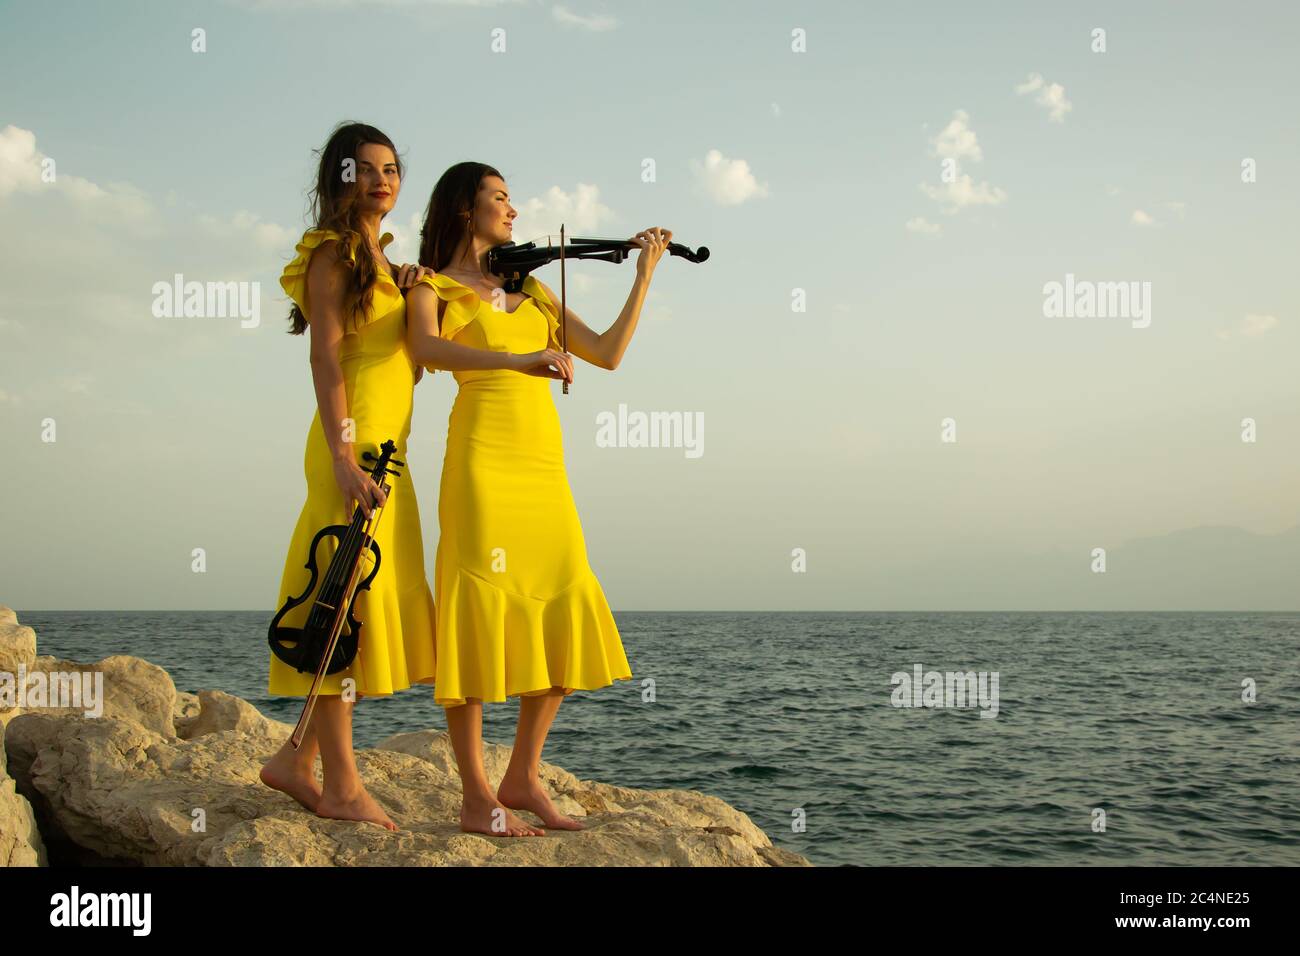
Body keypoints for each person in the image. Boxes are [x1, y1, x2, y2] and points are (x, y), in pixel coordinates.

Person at [405, 162, 668, 837]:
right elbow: (427, 348)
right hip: (482, 463)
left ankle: (521, 775)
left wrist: (643, 276)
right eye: (499, 199)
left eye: (513, 201)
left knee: (566, 596)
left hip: (543, 467)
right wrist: (521, 362)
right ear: (465, 210)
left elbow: (607, 353)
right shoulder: (434, 287)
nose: (513, 212)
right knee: (476, 610)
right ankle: (473, 794)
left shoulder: (536, 292)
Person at [259, 122, 435, 832]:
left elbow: (410, 363)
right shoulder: (332, 255)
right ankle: (336, 782)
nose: (381, 179)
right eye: (363, 169)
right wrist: (340, 453)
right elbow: (326, 360)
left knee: (352, 605)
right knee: (337, 603)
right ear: (338, 180)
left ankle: (300, 763)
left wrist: (412, 290)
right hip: (353, 441)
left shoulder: (385, 264)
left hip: (387, 446)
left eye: (390, 168)